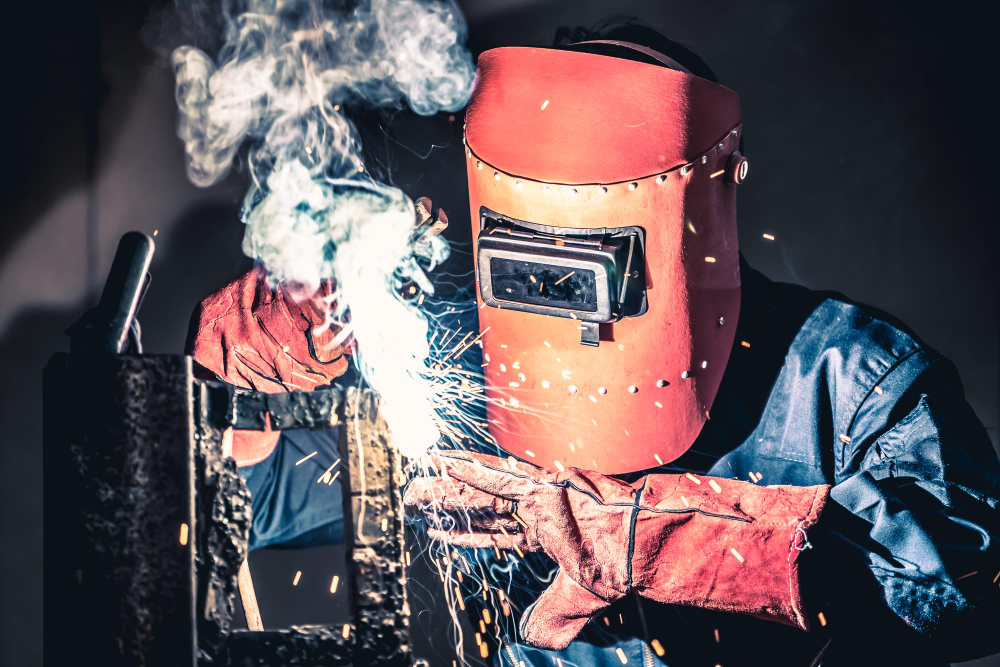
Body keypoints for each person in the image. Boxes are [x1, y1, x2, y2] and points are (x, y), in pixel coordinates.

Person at [403, 23, 1000, 667]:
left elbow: (976, 582)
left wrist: (674, 539)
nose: (564, 288)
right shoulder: (471, 371)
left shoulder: (849, 372)